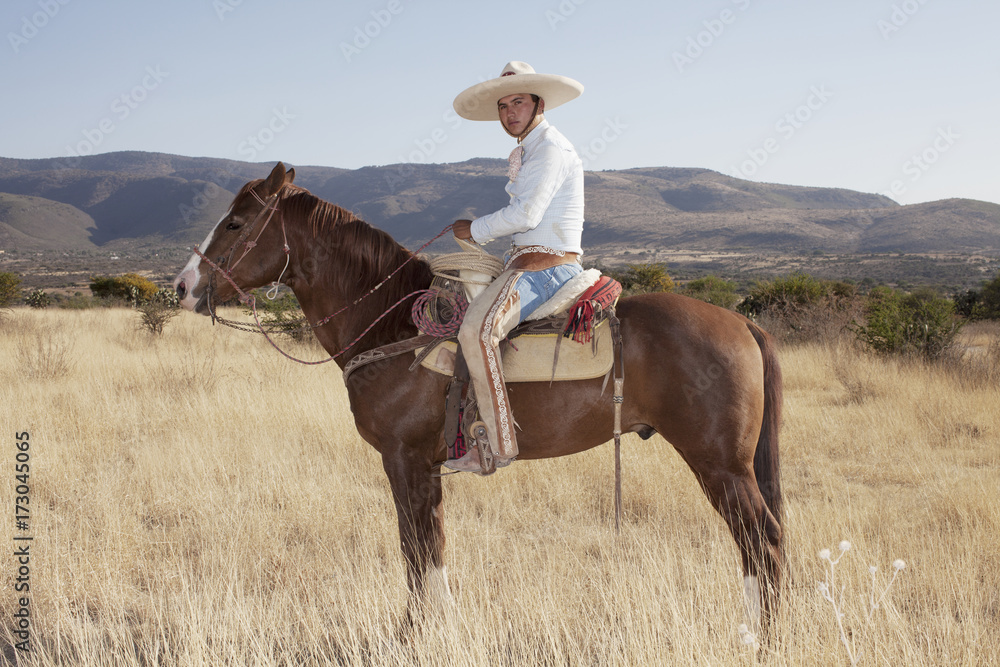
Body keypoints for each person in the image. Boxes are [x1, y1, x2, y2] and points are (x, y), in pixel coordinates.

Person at [444, 61, 586, 473]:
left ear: (539, 103)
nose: (509, 113)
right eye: (504, 106)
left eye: (518, 102)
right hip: (528, 261)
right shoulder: (532, 148)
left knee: (476, 329)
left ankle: (499, 446)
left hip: (545, 268)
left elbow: (526, 214)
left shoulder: (550, 149)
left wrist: (475, 229)